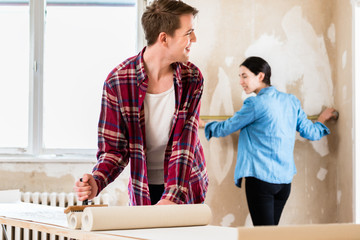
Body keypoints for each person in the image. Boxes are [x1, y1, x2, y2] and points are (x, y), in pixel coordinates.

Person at [74, 0, 208, 206]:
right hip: (142, 186)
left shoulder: (192, 78)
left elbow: (185, 143)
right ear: (164, 38)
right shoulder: (117, 82)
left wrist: (171, 198)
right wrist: (97, 181)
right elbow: (114, 149)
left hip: (184, 185)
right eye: (188, 33)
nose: (195, 39)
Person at [200, 56, 337, 226]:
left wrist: (204, 124)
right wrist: (322, 120)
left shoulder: (254, 104)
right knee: (271, 234)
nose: (241, 82)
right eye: (239, 77)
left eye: (244, 76)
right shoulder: (291, 101)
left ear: (260, 76)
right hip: (284, 183)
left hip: (260, 180)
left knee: (264, 235)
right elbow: (311, 132)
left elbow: (228, 127)